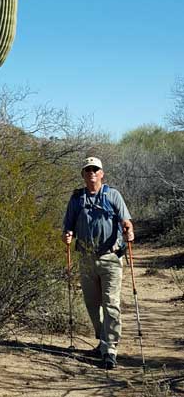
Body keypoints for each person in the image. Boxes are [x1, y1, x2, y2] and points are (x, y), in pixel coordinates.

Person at [62, 156, 134, 370]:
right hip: (86, 259)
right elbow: (68, 228)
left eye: (96, 169)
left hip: (111, 258)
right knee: (92, 305)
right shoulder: (76, 199)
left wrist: (129, 229)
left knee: (111, 302)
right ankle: (102, 341)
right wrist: (67, 236)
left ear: (102, 173)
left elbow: (126, 221)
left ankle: (110, 348)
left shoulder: (113, 195)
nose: (92, 172)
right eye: (88, 170)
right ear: (83, 175)